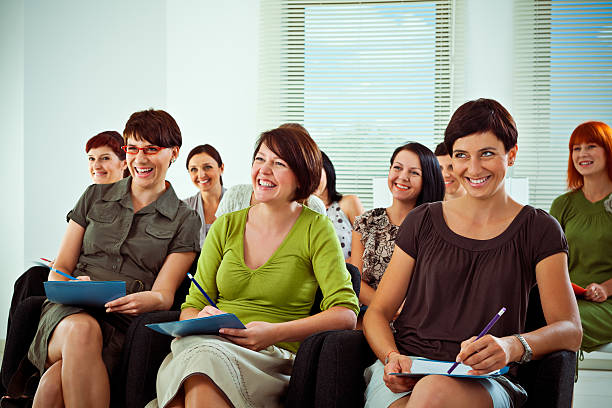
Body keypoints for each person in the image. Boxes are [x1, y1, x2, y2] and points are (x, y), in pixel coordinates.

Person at [362, 98, 582, 408]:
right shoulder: (422, 220)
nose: (474, 168)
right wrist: (392, 357)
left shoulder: (539, 228)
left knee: (434, 393)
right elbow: (378, 313)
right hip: (407, 372)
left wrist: (512, 346)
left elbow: (570, 329)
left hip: (487, 381)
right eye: (462, 155)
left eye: (488, 154)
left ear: (512, 154)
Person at [148, 126, 359, 408]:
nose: (264, 171)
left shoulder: (317, 228)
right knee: (198, 365)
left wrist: (273, 332)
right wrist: (200, 318)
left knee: (194, 383)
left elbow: (345, 314)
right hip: (209, 345)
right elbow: (192, 305)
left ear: (301, 176)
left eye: (278, 164)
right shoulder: (225, 225)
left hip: (270, 357)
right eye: (260, 160)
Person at [26, 109, 201, 408]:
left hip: (121, 325)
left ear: (174, 153)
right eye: (132, 148)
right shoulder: (93, 196)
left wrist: (140, 300)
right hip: (67, 316)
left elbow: (164, 295)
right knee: (83, 330)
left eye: (151, 149)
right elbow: (60, 269)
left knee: (53, 383)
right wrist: (72, 285)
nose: (140, 159)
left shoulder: (185, 220)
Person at [351, 142, 444, 309]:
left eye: (414, 172)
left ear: (428, 179)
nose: (402, 177)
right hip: (373, 313)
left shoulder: (437, 226)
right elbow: (356, 280)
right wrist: (387, 310)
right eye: (397, 168)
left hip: (420, 317)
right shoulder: (366, 221)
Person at [550, 121, 612, 352]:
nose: (582, 154)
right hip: (570, 300)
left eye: (591, 146)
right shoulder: (563, 204)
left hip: (607, 304)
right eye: (576, 148)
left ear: (608, 150)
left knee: (560, 327)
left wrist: (605, 289)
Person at [313, 151, 365, 262]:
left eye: (316, 172)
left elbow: (366, 251)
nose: (311, 180)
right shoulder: (301, 214)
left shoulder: (349, 203)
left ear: (327, 170)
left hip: (351, 276)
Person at [183, 144, 226, 247]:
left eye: (207, 167)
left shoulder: (238, 203)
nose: (201, 175)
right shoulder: (184, 208)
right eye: (194, 169)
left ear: (221, 168)